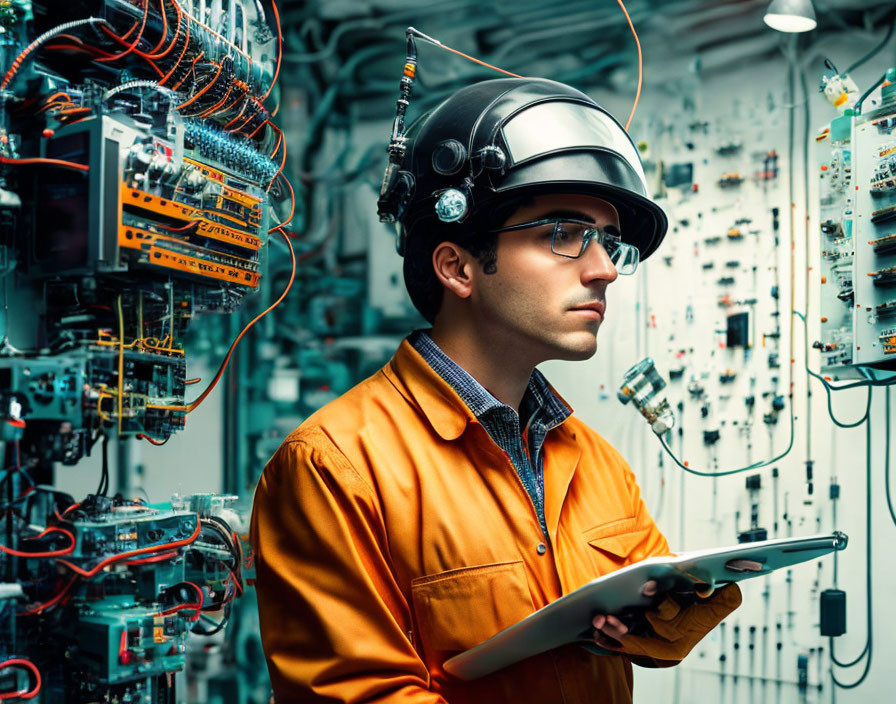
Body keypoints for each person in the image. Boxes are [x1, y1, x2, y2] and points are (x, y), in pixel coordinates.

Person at [250, 77, 743, 703]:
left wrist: (665, 618)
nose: (605, 269)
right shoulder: (333, 468)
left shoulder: (595, 461)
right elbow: (358, 694)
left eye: (610, 241)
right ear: (457, 267)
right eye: (565, 234)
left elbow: (655, 632)